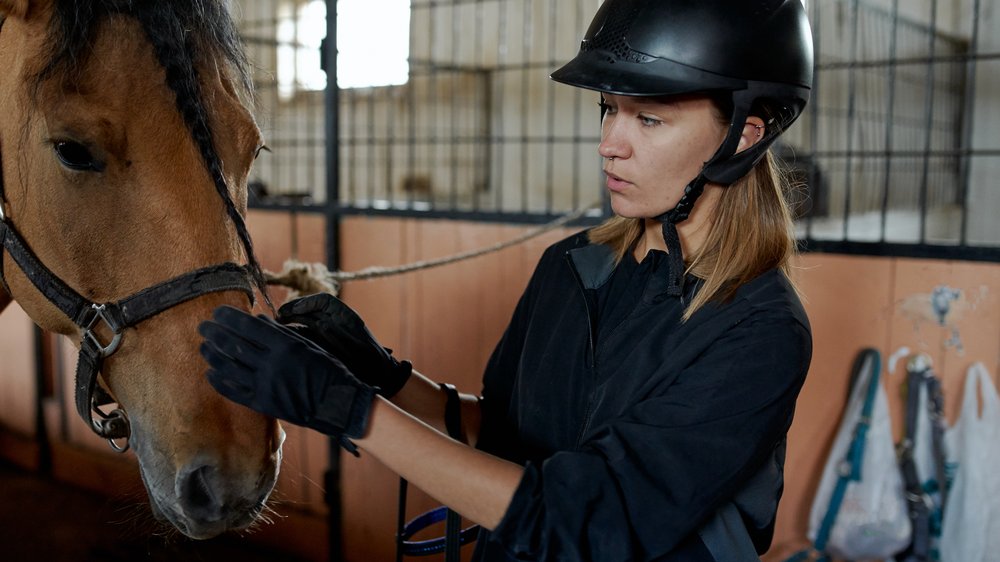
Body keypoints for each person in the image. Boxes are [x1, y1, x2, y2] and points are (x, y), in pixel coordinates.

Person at [198, 0, 815, 559]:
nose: (608, 143)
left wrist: (350, 411)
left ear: (742, 136)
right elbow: (505, 435)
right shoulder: (574, 266)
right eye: (608, 110)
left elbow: (590, 519)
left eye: (648, 119)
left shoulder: (758, 328)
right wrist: (381, 376)